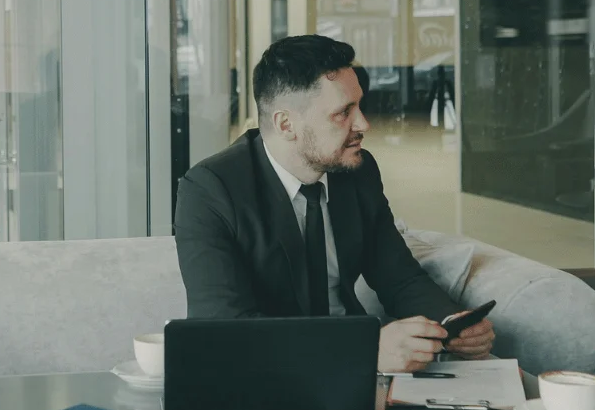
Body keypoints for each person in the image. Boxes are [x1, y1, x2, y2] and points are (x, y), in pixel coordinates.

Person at [174, 34, 495, 373]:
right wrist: (364, 350)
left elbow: (399, 277)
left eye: (359, 106)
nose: (363, 124)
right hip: (270, 377)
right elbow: (224, 330)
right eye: (343, 112)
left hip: (363, 375)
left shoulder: (357, 172)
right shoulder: (210, 190)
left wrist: (451, 323)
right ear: (286, 124)